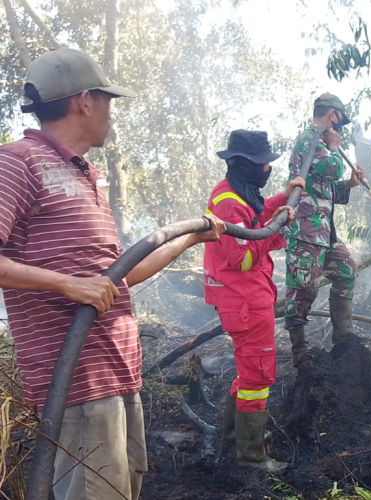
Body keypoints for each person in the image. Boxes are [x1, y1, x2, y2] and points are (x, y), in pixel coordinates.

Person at [0, 48, 226, 500]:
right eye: (107, 100)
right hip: (77, 385)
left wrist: (191, 238)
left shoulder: (83, 175)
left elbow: (120, 274)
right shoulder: (17, 162)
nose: (110, 112)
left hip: (118, 377)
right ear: (85, 100)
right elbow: (85, 284)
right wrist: (67, 284)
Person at [203, 130, 304, 471]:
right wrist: (279, 229)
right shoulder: (229, 202)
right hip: (244, 301)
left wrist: (283, 199)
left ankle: (233, 442)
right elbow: (242, 257)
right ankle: (250, 456)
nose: (266, 171)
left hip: (248, 298)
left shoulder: (237, 193)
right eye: (262, 166)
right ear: (243, 164)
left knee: (249, 374)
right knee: (257, 377)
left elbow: (256, 220)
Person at [283, 93, 368, 368]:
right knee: (303, 290)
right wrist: (333, 147)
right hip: (305, 232)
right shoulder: (310, 139)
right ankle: (300, 354)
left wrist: (351, 184)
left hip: (324, 232)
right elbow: (330, 168)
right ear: (333, 115)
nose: (340, 126)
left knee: (346, 270)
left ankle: (344, 340)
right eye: (340, 119)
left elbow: (325, 189)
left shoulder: (320, 142)